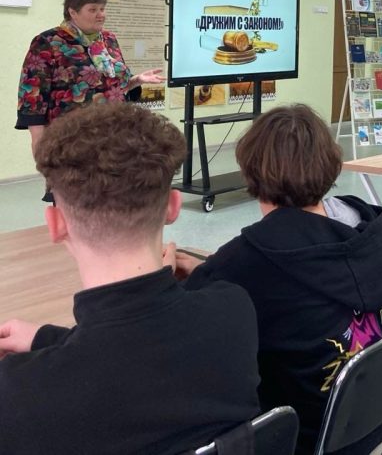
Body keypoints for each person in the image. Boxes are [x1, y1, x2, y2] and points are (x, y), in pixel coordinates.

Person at [0, 103, 260, 454]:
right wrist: (47, 339)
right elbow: (129, 357)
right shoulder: (234, 311)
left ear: (56, 225)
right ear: (173, 207)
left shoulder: (19, 394)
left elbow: (107, 362)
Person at [168, 104, 382, 455]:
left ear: (251, 172)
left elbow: (175, 327)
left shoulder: (248, 260)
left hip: (305, 441)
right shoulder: (369, 225)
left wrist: (164, 279)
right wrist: (216, 265)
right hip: (373, 421)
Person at [16, 0, 165, 161]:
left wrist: (136, 80)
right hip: (70, 136)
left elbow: (113, 85)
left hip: (114, 133)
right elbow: (32, 95)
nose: (101, 15)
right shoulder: (48, 41)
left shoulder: (108, 39)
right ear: (73, 12)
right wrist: (38, 141)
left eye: (102, 9)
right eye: (93, 10)